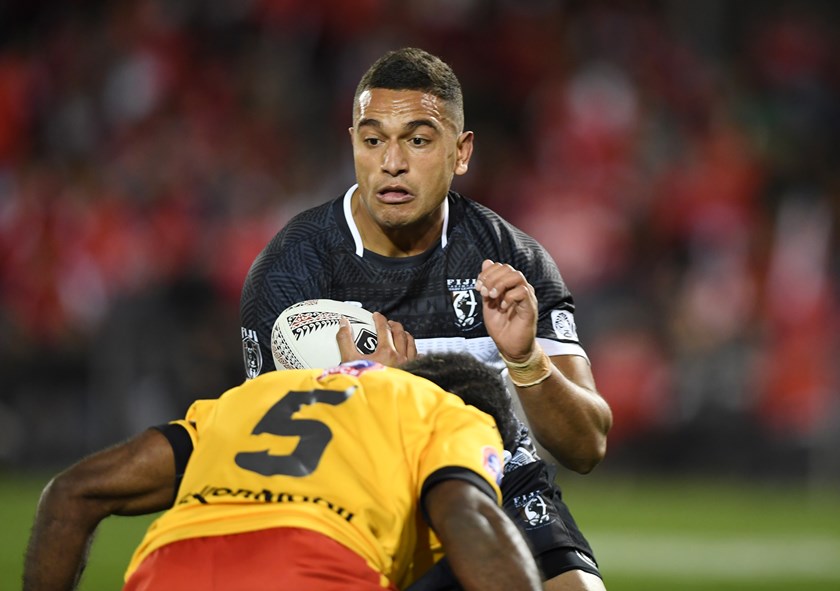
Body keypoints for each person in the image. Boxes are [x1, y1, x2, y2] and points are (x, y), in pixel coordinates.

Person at [239, 47, 613, 589]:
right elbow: (262, 462)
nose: (392, 162)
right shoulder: (290, 272)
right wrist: (370, 399)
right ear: (353, 145)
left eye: (417, 140)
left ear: (460, 153)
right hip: (353, 503)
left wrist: (526, 359)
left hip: (495, 487)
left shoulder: (512, 263)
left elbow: (587, 446)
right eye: (373, 141)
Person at [23, 353, 542, 591]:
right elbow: (466, 512)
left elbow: (72, 493)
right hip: (316, 567)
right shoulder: (454, 411)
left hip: (167, 567)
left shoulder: (255, 393)